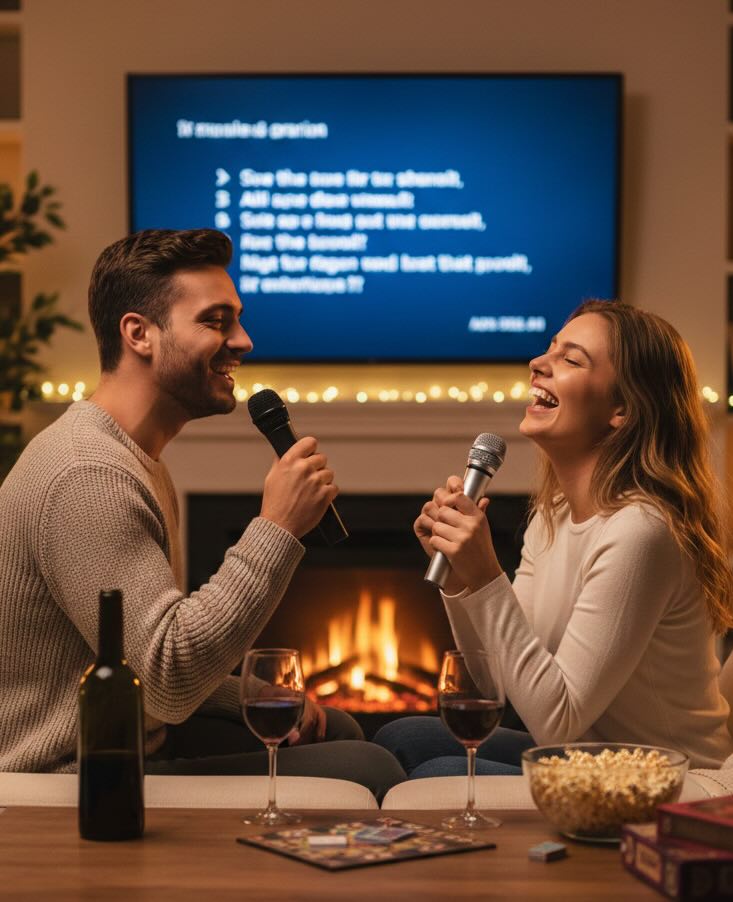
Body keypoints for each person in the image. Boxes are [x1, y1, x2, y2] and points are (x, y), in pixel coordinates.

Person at [0, 228, 404, 800]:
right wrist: (277, 528)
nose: (243, 341)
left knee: (333, 727)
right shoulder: (87, 476)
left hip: (131, 735)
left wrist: (252, 696)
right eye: (216, 321)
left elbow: (140, 665)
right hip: (70, 776)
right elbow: (167, 675)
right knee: (369, 770)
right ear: (139, 333)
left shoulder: (136, 459)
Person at [375, 300, 733, 777]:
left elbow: (556, 722)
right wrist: (461, 581)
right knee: (399, 738)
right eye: (549, 350)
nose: (537, 364)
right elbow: (494, 682)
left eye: (570, 359)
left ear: (621, 408)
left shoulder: (641, 532)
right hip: (590, 756)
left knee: (435, 771)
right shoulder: (554, 515)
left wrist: (486, 576)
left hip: (661, 777)